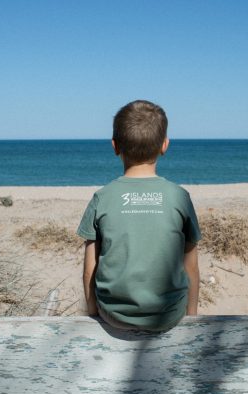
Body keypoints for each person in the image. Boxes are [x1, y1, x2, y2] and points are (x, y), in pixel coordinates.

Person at [76, 99, 201, 333]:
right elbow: (191, 267)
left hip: (114, 315)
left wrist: (93, 313)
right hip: (168, 316)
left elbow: (89, 268)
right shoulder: (180, 197)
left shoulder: (102, 198)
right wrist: (191, 315)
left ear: (115, 146)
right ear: (164, 145)